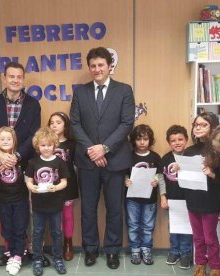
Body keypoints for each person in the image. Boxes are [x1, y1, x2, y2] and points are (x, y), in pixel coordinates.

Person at [69, 46, 135, 269]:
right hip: (88, 161)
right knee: (88, 208)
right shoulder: (80, 92)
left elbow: (127, 123)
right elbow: (75, 123)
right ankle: (90, 249)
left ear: (110, 66)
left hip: (115, 160)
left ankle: (113, 250)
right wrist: (92, 149)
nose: (97, 69)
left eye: (101, 65)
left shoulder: (124, 90)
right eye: (93, 65)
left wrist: (105, 148)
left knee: (114, 208)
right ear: (89, 68)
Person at [0, 61, 41, 266]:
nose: (15, 80)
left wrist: (15, 155)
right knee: (5, 209)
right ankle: (10, 249)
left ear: (23, 79)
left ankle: (27, 249)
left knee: (26, 209)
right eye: (11, 76)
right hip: (0, 165)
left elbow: (34, 135)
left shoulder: (33, 104)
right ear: (4, 78)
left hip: (24, 164)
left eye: (19, 77)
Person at [179, 112, 220, 276]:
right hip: (192, 200)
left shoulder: (217, 149)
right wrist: (178, 168)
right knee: (198, 238)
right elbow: (186, 174)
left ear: (213, 127)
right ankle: (200, 265)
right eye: (196, 124)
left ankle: (216, 266)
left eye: (204, 124)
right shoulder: (188, 150)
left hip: (210, 202)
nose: (198, 127)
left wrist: (212, 174)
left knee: (210, 238)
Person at [25, 127, 69, 276]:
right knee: (37, 232)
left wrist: (55, 188)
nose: (46, 148)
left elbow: (64, 182)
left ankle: (58, 259)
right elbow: (29, 181)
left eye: (49, 145)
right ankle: (37, 259)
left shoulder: (60, 162)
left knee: (57, 232)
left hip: (55, 205)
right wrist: (32, 187)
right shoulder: (32, 162)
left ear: (54, 145)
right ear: (38, 146)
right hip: (38, 206)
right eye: (43, 145)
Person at [125, 124, 161, 265]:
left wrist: (156, 181)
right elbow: (124, 173)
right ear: (133, 140)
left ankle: (146, 249)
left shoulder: (155, 157)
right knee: (133, 224)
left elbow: (159, 174)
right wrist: (125, 181)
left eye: (145, 139)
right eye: (139, 139)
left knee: (148, 225)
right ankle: (135, 249)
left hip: (150, 198)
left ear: (150, 140)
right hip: (132, 198)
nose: (142, 142)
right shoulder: (129, 156)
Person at [0, 126, 29, 276]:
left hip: (20, 199)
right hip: (4, 201)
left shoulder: (21, 159)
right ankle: (11, 252)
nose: (5, 141)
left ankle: (18, 256)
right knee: (7, 228)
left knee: (20, 228)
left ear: (14, 140)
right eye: (2, 139)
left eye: (9, 138)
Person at [159, 125, 193, 270]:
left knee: (187, 228)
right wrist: (163, 196)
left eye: (180, 139)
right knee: (173, 227)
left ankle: (186, 254)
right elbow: (161, 178)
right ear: (169, 142)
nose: (177, 142)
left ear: (186, 140)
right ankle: (174, 251)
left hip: (190, 200)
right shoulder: (165, 158)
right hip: (172, 200)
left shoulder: (191, 157)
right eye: (173, 140)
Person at [48, 112, 78, 261]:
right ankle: (57, 244)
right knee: (55, 217)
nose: (54, 125)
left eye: (58, 122)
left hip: (68, 185)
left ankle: (68, 244)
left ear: (65, 125)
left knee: (67, 215)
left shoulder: (72, 144)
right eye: (52, 122)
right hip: (50, 185)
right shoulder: (46, 143)